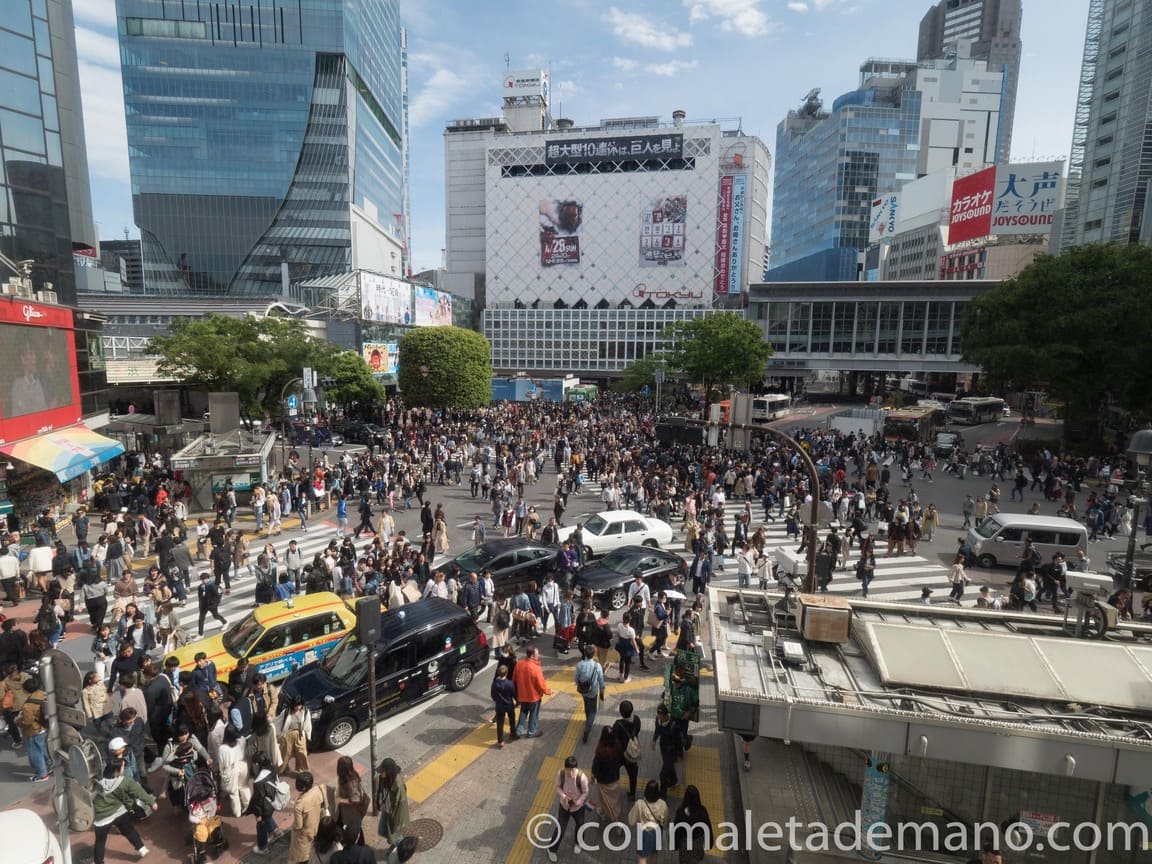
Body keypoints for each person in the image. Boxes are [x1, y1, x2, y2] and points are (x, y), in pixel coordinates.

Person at [91, 758, 156, 864]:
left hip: (102, 817)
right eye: (122, 767)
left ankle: (99, 862)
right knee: (129, 830)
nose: (123, 769)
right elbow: (139, 792)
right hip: (119, 812)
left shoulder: (99, 782)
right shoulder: (125, 781)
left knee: (100, 841)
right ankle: (141, 848)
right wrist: (152, 802)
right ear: (116, 770)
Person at [547, 755, 589, 862]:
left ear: (576, 768)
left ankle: (579, 843)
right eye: (568, 769)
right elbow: (558, 786)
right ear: (565, 767)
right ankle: (551, 850)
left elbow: (585, 792)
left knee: (580, 825)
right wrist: (564, 796)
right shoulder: (561, 774)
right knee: (560, 828)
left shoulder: (582, 777)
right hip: (564, 806)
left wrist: (578, 802)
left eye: (572, 770)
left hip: (578, 807)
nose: (570, 772)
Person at [512, 646, 551, 738]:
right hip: (534, 697)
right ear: (532, 656)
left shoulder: (519, 664)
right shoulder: (536, 668)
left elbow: (514, 679)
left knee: (523, 712)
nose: (539, 655)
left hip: (522, 695)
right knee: (533, 715)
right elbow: (541, 685)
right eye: (537, 654)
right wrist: (548, 691)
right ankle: (531, 732)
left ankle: (518, 731)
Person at [16, 675, 50, 780]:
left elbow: (27, 721)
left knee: (35, 753)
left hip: (33, 731)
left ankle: (42, 774)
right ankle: (47, 766)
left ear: (26, 690)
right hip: (43, 727)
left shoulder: (28, 706)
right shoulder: (43, 695)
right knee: (42, 749)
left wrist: (17, 721)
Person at [628, 780, 669, 864]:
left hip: (644, 832)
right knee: (654, 853)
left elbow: (631, 821)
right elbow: (666, 821)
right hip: (657, 831)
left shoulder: (640, 804)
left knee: (642, 856)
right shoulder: (663, 804)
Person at [290, 771, 327, 864]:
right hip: (316, 826)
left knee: (300, 856)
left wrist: (293, 828)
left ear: (302, 787)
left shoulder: (299, 805)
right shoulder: (318, 790)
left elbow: (298, 826)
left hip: (304, 834)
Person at [671, 784, 713, 864]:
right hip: (698, 841)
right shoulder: (702, 811)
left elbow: (676, 830)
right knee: (695, 859)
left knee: (684, 860)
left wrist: (675, 844)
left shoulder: (681, 813)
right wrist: (708, 843)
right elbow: (708, 827)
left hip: (685, 842)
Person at [591, 725, 625, 823]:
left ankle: (615, 819)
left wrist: (593, 776)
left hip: (604, 780)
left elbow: (596, 766)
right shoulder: (618, 745)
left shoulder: (601, 751)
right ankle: (603, 810)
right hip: (615, 777)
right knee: (614, 799)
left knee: (605, 799)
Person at [374, 758, 410, 845]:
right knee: (383, 830)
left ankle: (400, 847)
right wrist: (378, 803)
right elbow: (379, 791)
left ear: (389, 772)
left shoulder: (397, 784)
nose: (380, 773)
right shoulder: (383, 778)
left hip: (395, 813)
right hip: (386, 808)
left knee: (394, 834)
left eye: (383, 771)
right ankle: (395, 842)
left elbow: (400, 804)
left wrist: (396, 820)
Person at [574, 644, 605, 743]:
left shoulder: (580, 664)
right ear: (593, 654)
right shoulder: (597, 665)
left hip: (583, 690)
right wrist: (602, 689)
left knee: (586, 705)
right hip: (593, 691)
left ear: (585, 654)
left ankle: (587, 720)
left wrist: (579, 683)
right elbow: (601, 679)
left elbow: (575, 678)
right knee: (593, 710)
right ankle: (588, 728)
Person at [218, 725, 251, 816]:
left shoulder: (223, 748)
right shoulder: (242, 740)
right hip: (243, 764)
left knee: (233, 792)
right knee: (244, 786)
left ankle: (237, 812)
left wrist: (222, 774)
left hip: (231, 769)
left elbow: (222, 764)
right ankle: (248, 806)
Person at [613, 700, 642, 800]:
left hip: (620, 754)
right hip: (632, 752)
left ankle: (614, 789)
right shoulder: (637, 719)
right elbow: (637, 731)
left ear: (621, 713)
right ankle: (632, 794)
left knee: (614, 770)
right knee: (633, 774)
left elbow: (614, 739)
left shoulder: (618, 724)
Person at [279, 695, 313, 774]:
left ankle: (304, 771)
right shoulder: (287, 711)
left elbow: (308, 724)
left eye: (299, 705)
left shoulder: (305, 712)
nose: (298, 707)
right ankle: (280, 770)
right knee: (285, 754)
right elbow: (279, 721)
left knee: (302, 754)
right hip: (288, 734)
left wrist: (308, 735)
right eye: (296, 705)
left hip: (300, 734)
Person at [334, 755, 369, 828]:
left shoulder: (350, 783)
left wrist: (340, 800)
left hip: (352, 810)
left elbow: (356, 799)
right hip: (346, 807)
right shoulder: (348, 775)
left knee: (349, 825)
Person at [490, 663, 517, 748]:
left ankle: (500, 741)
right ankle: (512, 733)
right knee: (512, 719)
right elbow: (514, 694)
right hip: (509, 705)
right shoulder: (510, 683)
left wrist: (497, 700)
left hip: (500, 706)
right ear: (507, 673)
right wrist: (517, 701)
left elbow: (493, 695)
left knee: (500, 724)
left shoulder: (495, 684)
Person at [197, 571, 227, 636]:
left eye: (204, 579)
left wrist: (215, 603)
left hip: (211, 605)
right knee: (201, 619)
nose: (203, 581)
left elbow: (218, 594)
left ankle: (225, 622)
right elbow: (200, 596)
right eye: (202, 580)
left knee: (216, 616)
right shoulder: (200, 587)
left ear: (208, 578)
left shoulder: (213, 585)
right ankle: (200, 634)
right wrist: (200, 604)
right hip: (203, 605)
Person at [616, 611, 640, 683]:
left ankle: (620, 676)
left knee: (622, 660)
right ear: (630, 620)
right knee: (627, 662)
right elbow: (633, 641)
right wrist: (637, 649)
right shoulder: (631, 630)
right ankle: (625, 678)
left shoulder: (619, 625)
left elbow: (618, 634)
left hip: (621, 644)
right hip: (628, 646)